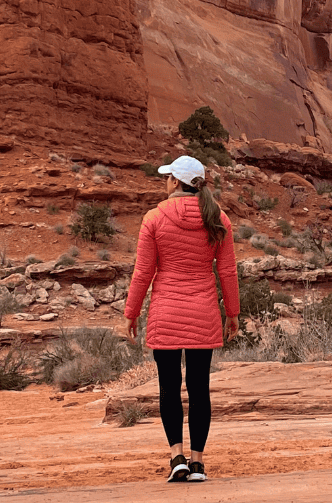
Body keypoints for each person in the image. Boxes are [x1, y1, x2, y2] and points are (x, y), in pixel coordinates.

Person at [122, 155, 240, 483]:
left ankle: (177, 457)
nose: (165, 182)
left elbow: (143, 271)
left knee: (169, 387)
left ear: (175, 182)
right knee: (199, 388)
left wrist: (131, 313)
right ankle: (198, 463)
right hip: (203, 313)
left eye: (168, 177)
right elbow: (227, 271)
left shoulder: (154, 218)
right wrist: (232, 313)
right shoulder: (218, 218)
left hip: (166, 313)